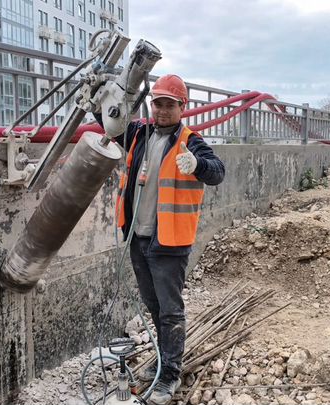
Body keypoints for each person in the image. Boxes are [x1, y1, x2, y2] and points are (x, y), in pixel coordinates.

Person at [97, 74, 225, 404]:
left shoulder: (190, 140)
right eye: (158, 103)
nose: (163, 110)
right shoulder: (139, 133)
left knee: (170, 310)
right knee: (153, 306)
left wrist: (197, 164)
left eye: (170, 104)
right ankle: (163, 361)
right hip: (138, 238)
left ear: (182, 107)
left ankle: (169, 374)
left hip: (168, 241)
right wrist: (100, 95)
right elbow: (109, 123)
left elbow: (218, 171)